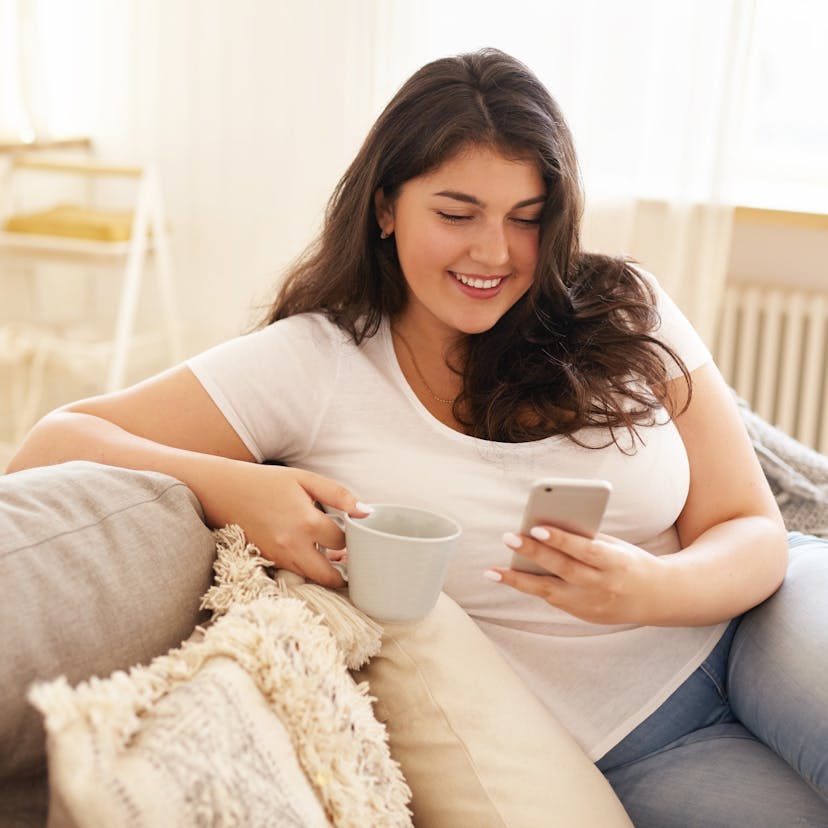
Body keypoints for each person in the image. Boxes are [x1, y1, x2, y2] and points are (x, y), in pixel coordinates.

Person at [8, 48, 828, 826]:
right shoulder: (315, 365)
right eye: (457, 212)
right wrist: (238, 486)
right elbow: (51, 442)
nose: (493, 251)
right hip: (630, 747)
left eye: (526, 218)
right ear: (385, 207)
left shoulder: (623, 304)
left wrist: (648, 590)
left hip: (765, 623)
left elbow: (752, 529)